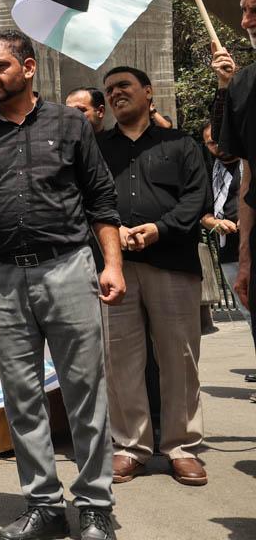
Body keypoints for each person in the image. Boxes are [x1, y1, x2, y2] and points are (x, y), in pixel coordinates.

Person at [0, 31, 123, 540]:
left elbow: (101, 199)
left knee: (84, 391)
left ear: (27, 68)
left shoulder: (69, 124)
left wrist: (112, 265)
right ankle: (43, 505)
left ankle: (94, 505)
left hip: (66, 268)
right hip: (1, 278)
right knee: (22, 395)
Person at [98, 66, 209, 487]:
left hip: (173, 263)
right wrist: (114, 231)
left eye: (123, 86)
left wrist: (159, 228)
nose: (115, 94)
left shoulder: (180, 143)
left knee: (179, 359)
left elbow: (198, 198)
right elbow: (88, 198)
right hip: (115, 268)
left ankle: (182, 447)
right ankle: (130, 448)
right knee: (121, 361)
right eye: (109, 90)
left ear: (148, 92)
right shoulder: (96, 147)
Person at [211, 0, 256, 391]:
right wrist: (244, 260)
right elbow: (246, 173)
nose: (245, 21)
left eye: (255, 9)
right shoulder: (244, 84)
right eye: (244, 10)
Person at [202, 124, 252, 347]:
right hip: (229, 248)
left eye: (220, 140)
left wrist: (248, 218)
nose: (218, 147)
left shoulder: (249, 162)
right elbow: (201, 212)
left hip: (252, 240)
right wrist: (215, 222)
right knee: (247, 308)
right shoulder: (207, 170)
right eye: (211, 143)